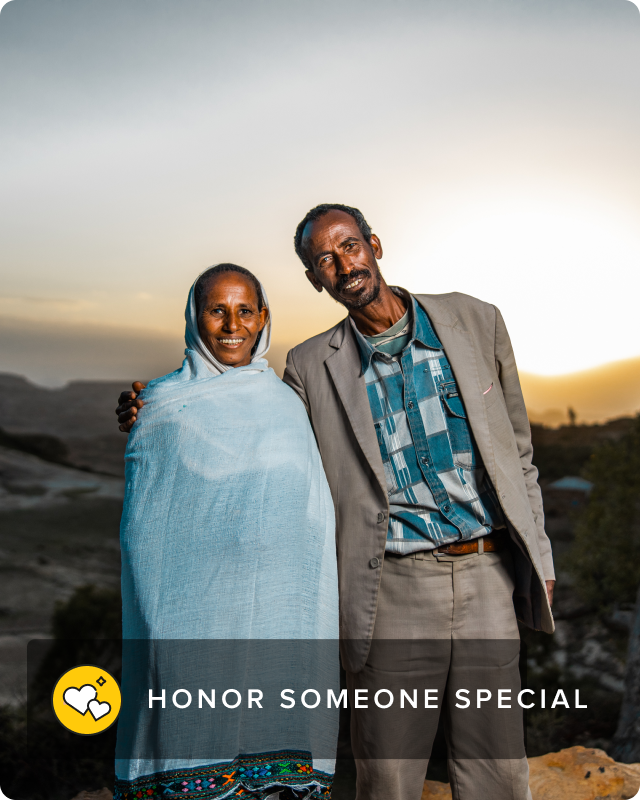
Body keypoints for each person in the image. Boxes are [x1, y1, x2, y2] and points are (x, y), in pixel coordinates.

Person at [116, 206, 555, 800]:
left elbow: (520, 455)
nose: (343, 264)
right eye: (324, 258)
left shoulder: (475, 320)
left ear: (373, 244)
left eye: (349, 246)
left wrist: (540, 558)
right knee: (387, 775)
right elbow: (236, 405)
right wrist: (151, 401)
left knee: (498, 768)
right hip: (391, 589)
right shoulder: (308, 368)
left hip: (489, 574)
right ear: (314, 278)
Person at [114, 263, 339, 800]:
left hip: (277, 615)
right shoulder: (161, 406)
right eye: (217, 309)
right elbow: (147, 527)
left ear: (263, 318)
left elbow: (312, 517)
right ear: (196, 316)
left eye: (245, 310)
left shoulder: (287, 406)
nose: (232, 324)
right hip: (189, 614)